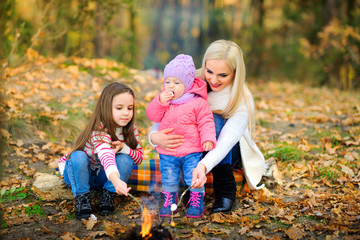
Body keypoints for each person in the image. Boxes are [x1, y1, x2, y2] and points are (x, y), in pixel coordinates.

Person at [149, 40, 265, 214]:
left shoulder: (242, 99)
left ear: (235, 73)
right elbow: (165, 113)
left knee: (214, 120)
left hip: (225, 150)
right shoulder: (189, 81)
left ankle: (225, 190)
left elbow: (226, 140)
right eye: (209, 71)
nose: (213, 79)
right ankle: (191, 187)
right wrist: (154, 137)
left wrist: (203, 166)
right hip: (193, 146)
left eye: (223, 75)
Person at [58, 82, 143, 220]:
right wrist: (117, 181)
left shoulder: (130, 130)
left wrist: (124, 148)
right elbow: (106, 156)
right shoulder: (99, 129)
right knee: (78, 156)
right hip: (80, 173)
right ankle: (82, 197)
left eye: (130, 108)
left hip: (103, 177)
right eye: (119, 108)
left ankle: (107, 195)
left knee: (126, 159)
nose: (126, 113)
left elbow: (139, 158)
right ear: (106, 108)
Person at [146, 54, 216, 218]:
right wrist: (159, 102)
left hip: (191, 150)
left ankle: (196, 200)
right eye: (167, 81)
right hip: (168, 151)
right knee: (168, 176)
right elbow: (152, 116)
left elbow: (206, 121)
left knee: (194, 176)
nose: (171, 86)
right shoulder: (164, 101)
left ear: (188, 84)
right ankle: (169, 200)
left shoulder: (197, 102)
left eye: (177, 83)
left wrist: (208, 139)